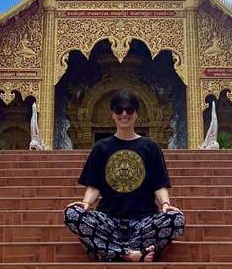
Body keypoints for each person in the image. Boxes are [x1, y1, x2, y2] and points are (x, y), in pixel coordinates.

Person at [63, 90, 186, 262]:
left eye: (129, 110)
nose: (124, 114)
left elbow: (159, 184)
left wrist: (165, 204)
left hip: (143, 220)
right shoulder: (101, 147)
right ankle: (134, 253)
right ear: (112, 114)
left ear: (136, 114)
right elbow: (94, 185)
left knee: (176, 219)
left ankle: (112, 250)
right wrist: (86, 204)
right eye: (119, 110)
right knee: (72, 214)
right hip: (109, 219)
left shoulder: (150, 147)